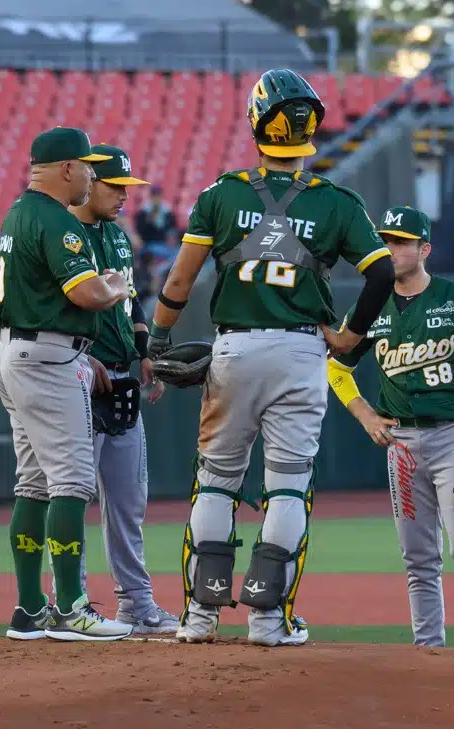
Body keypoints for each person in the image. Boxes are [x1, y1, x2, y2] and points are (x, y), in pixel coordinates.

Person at [148, 68, 396, 646]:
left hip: (234, 349)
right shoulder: (338, 202)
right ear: (311, 128)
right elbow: (382, 272)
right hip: (302, 351)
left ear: (259, 122)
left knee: (216, 482)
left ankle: (199, 618)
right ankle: (267, 620)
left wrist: (156, 341)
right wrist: (351, 337)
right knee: (286, 486)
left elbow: (181, 280)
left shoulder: (221, 194)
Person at [326, 205, 454, 653]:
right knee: (418, 558)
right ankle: (428, 651)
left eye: (399, 241)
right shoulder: (370, 306)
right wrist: (365, 415)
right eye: (385, 241)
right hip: (402, 443)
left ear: (424, 248)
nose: (389, 249)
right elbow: (336, 369)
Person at [0, 126, 135, 643]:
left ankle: (30, 607)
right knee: (72, 481)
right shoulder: (55, 220)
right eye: (89, 167)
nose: (94, 176)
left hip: (12, 350)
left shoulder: (16, 213)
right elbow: (87, 294)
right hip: (49, 357)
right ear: (69, 168)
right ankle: (72, 607)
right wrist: (117, 286)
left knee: (31, 482)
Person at [69, 143, 174, 634]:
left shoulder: (117, 238)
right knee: (71, 495)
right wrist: (77, 354)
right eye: (115, 187)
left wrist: (146, 352)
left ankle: (136, 604)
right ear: (89, 181)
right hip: (75, 375)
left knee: (129, 501)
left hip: (121, 375)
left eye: (128, 189)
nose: (123, 198)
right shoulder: (63, 234)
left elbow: (130, 305)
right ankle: (72, 602)